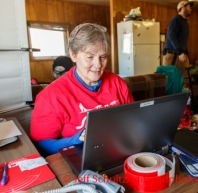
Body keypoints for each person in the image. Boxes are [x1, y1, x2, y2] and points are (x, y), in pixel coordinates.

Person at [30, 23, 135, 156]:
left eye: (103, 57)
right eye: (90, 57)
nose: (98, 65)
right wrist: (78, 139)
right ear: (73, 55)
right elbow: (42, 146)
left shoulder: (117, 82)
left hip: (118, 150)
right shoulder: (50, 97)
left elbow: (133, 120)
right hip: (79, 158)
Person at [162, 1, 194, 76]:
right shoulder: (176, 19)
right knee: (169, 79)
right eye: (189, 7)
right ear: (183, 8)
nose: (191, 9)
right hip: (172, 55)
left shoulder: (185, 22)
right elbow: (171, 36)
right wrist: (179, 52)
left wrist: (184, 52)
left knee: (182, 79)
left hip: (181, 55)